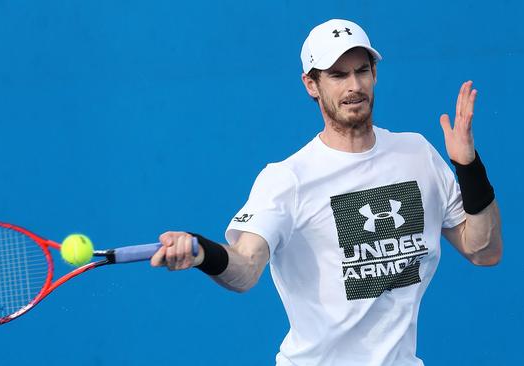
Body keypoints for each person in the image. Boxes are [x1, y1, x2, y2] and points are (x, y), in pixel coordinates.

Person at [151, 18, 503, 366]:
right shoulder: (287, 179)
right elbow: (244, 269)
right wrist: (202, 252)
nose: (354, 86)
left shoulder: (417, 154)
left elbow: (483, 250)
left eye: (361, 71)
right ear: (311, 84)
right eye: (337, 75)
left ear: (374, 74)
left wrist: (469, 167)